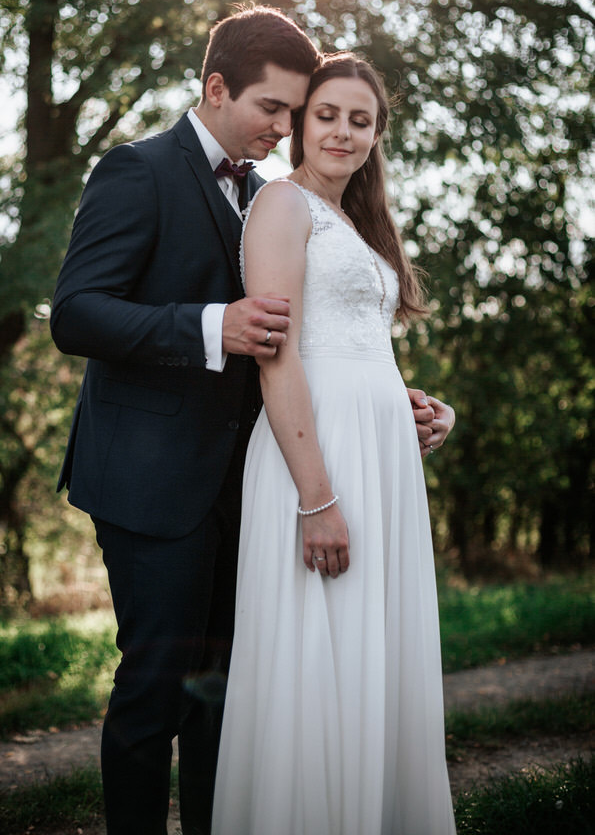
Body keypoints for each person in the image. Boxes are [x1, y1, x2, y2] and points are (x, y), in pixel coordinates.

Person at [51, 7, 453, 835]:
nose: (287, 126)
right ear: (215, 87)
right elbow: (77, 313)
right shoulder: (138, 170)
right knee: (154, 690)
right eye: (274, 109)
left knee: (225, 696)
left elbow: (309, 332)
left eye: (294, 111)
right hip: (150, 475)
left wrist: (378, 405)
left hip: (248, 478)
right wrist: (209, 325)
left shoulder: (269, 191)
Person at [212, 53, 456, 834]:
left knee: (370, 650)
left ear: (377, 133)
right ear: (299, 122)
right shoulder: (282, 206)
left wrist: (414, 408)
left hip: (376, 458)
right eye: (327, 115)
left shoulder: (357, 221)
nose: (342, 132)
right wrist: (316, 498)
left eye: (360, 120)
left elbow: (358, 348)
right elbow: (277, 359)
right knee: (317, 658)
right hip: (310, 462)